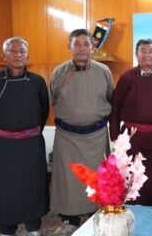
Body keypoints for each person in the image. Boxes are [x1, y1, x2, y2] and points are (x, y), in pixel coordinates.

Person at [0, 36, 49, 236]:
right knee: (3, 190)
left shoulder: (37, 82)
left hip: (31, 144)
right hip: (1, 146)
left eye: (22, 51)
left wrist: (26, 133)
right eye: (12, 51)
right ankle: (6, 230)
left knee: (32, 188)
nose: (17, 55)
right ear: (4, 55)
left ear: (27, 55)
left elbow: (43, 112)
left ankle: (33, 229)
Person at [50, 29, 114, 235]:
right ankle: (69, 220)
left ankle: (95, 216)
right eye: (76, 44)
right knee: (68, 180)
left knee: (95, 180)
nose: (81, 48)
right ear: (69, 47)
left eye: (86, 44)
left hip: (96, 138)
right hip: (67, 138)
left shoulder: (104, 71)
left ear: (92, 48)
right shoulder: (59, 72)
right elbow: (51, 100)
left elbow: (111, 98)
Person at [110, 38, 152, 207]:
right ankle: (133, 211)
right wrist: (116, 138)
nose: (147, 55)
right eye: (143, 51)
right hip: (133, 138)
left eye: (151, 51)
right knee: (133, 177)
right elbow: (115, 107)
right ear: (136, 54)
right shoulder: (127, 78)